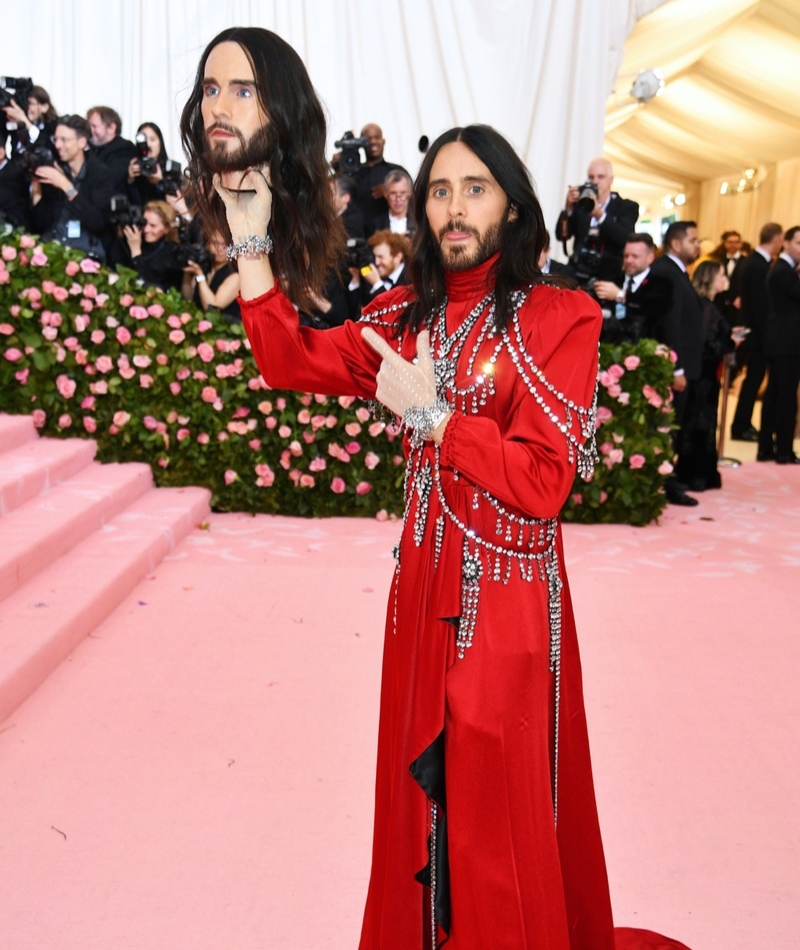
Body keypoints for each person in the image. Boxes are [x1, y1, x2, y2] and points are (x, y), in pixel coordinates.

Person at [186, 27, 693, 950]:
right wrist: (251, 234)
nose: (454, 209)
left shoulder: (560, 316)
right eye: (439, 193)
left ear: (512, 205)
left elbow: (544, 484)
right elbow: (287, 359)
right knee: (419, 819)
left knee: (495, 820)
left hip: (507, 608)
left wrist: (436, 420)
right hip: (417, 597)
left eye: (475, 189)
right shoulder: (403, 316)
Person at [650, 221, 704, 506]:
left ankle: (670, 479)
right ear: (675, 244)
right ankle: (665, 484)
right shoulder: (666, 272)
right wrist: (677, 368)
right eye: (693, 240)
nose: (699, 246)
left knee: (675, 427)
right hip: (675, 368)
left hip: (684, 364)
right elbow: (669, 324)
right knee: (667, 428)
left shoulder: (677, 272)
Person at [675, 260, 735, 491]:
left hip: (707, 374)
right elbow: (703, 343)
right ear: (711, 278)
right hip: (703, 375)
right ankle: (695, 474)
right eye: (722, 275)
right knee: (699, 422)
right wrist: (728, 342)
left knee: (703, 421)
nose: (725, 280)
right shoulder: (704, 306)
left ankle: (698, 472)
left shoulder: (708, 305)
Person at [30, 114, 113, 260]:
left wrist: (66, 185)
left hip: (86, 254)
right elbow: (39, 222)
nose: (58, 145)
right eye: (55, 139)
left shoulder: (100, 173)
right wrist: (36, 186)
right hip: (52, 249)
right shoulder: (56, 169)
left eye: (64, 140)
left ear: (82, 142)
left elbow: (98, 222)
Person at [555, 156, 639, 298]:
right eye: (591, 177)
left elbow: (625, 237)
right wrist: (568, 208)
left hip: (608, 279)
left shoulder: (626, 207)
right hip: (578, 274)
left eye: (600, 177)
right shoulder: (581, 206)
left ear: (611, 179)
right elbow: (562, 235)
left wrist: (600, 215)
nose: (595, 182)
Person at [729, 222, 783, 442]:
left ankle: (742, 424)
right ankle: (741, 425)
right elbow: (761, 307)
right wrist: (767, 337)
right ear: (777, 239)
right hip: (758, 334)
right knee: (753, 380)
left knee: (752, 380)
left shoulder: (751, 261)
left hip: (752, 331)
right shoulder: (759, 265)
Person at [759, 226, 800, 464]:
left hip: (783, 342)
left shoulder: (784, 270)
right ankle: (783, 449)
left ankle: (768, 447)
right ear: (785, 243)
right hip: (786, 343)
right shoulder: (783, 272)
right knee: (784, 397)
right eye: (798, 243)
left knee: (776, 395)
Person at [594, 233, 672, 343]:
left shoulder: (661, 283)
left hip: (645, 349)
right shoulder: (613, 280)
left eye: (635, 256)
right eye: (626, 256)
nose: (629, 260)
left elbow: (653, 306)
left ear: (650, 258)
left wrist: (620, 295)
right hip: (611, 348)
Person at [110, 199, 183, 291]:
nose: (146, 230)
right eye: (144, 223)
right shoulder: (138, 240)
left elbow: (149, 284)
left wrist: (136, 253)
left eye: (153, 226)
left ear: (167, 229)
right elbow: (115, 264)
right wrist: (121, 236)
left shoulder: (172, 252)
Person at [352, 122, 410, 224]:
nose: (373, 141)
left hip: (389, 234)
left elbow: (413, 201)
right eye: (367, 139)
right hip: (357, 234)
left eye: (377, 137)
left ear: (383, 141)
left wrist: (390, 193)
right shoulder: (352, 174)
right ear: (360, 143)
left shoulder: (398, 172)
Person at [181, 231, 241, 322]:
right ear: (207, 244)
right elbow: (188, 296)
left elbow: (212, 309)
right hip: (199, 323)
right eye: (215, 243)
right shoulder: (206, 267)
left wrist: (200, 276)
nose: (219, 249)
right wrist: (187, 272)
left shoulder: (235, 275)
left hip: (224, 328)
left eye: (225, 245)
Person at [87, 105, 138, 195]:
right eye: (89, 126)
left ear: (111, 128)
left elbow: (108, 178)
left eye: (94, 126)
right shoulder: (91, 149)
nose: (90, 131)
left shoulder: (125, 149)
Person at [128, 121, 170, 205]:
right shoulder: (134, 169)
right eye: (143, 140)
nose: (148, 144)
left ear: (160, 142)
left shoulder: (170, 170)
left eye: (152, 139)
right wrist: (130, 181)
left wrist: (161, 183)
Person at [367, 168, 415, 237]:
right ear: (386, 194)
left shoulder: (419, 222)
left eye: (403, 193)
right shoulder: (374, 225)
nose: (398, 199)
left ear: (409, 193)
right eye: (393, 193)